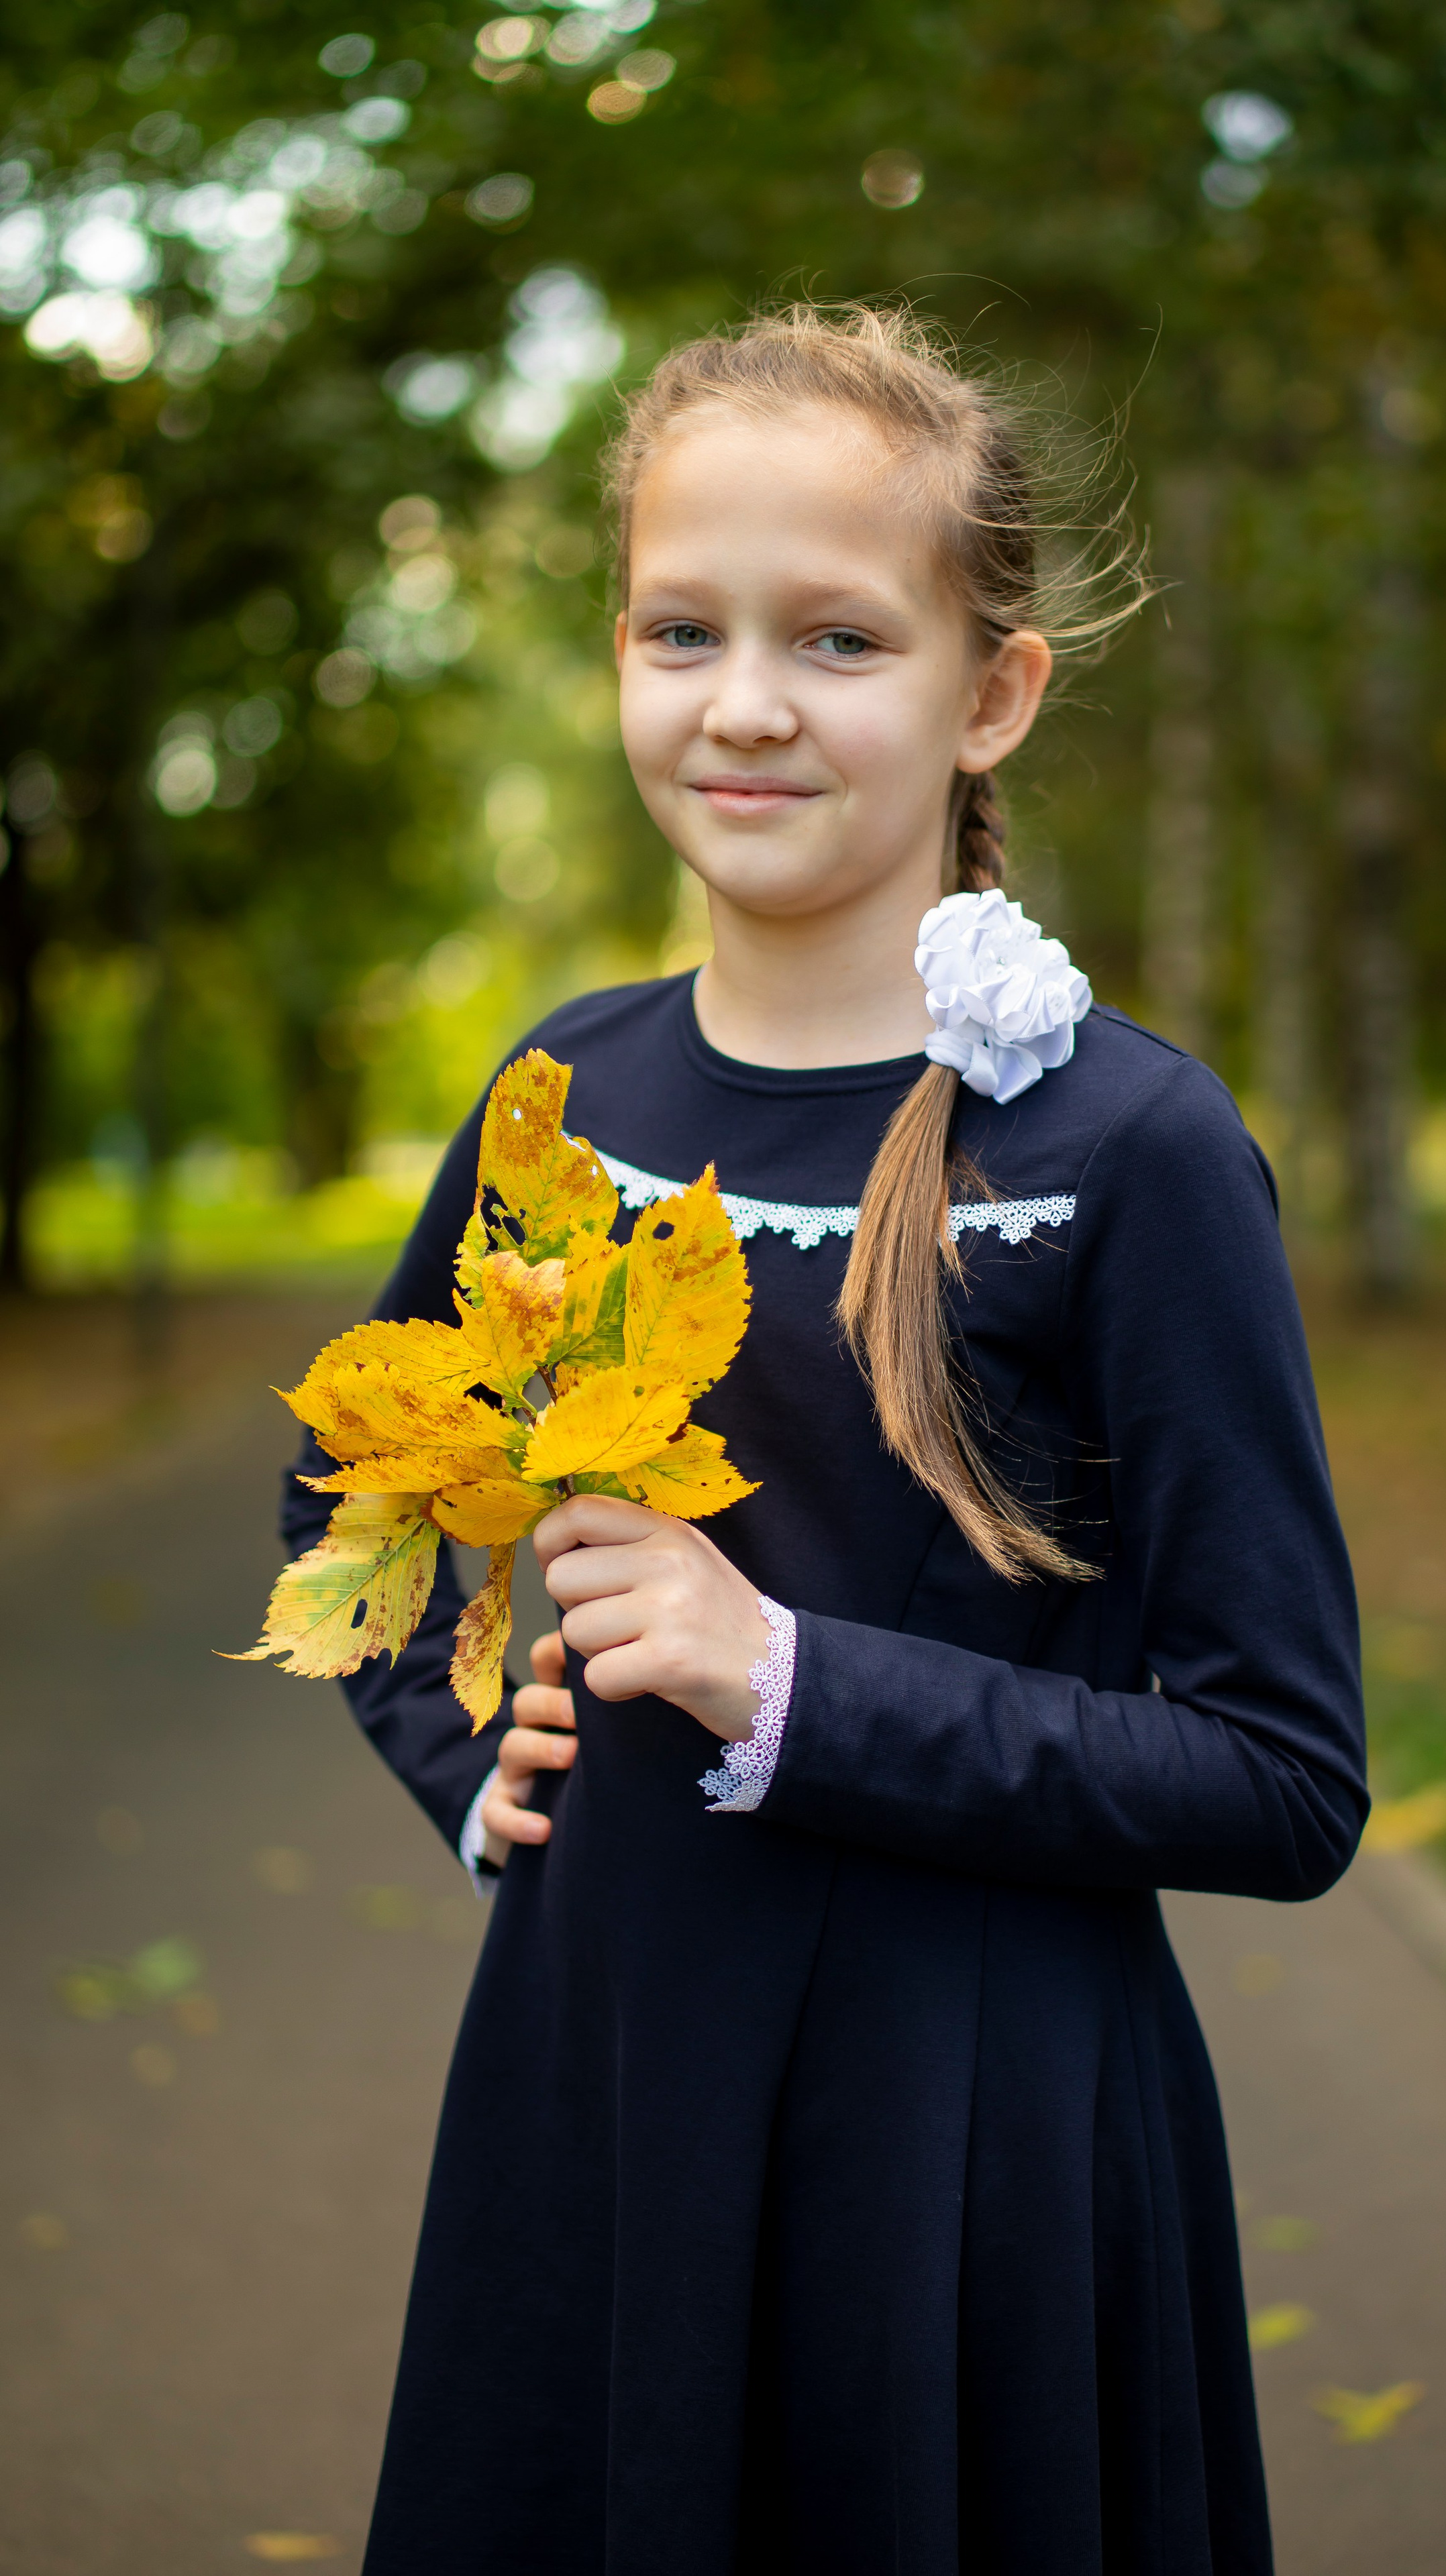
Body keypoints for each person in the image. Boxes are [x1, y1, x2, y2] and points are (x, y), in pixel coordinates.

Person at [284, 304, 1365, 2576]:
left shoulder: (1130, 1148)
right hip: (596, 2090)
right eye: (684, 628)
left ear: (993, 690)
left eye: (838, 635)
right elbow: (356, 1486)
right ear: (622, 651)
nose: (746, 699)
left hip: (971, 2148)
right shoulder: (556, 1100)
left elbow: (1281, 1774)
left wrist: (787, 1676)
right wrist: (470, 1753)